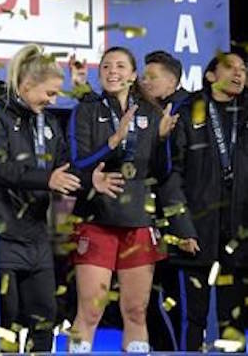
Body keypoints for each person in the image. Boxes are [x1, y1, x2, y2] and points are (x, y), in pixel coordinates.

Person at [67, 46, 194, 353]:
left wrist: (163, 140)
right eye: (107, 66)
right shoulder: (85, 110)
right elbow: (78, 163)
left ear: (133, 74)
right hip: (97, 220)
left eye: (121, 66)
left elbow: (161, 173)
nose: (113, 71)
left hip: (138, 221)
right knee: (90, 312)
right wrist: (113, 141)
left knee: (136, 312)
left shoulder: (152, 113)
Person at [0, 44, 80, 351]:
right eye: (49, 93)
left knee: (45, 317)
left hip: (36, 236)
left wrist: (90, 179)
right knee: (6, 320)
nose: (53, 100)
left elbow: (64, 167)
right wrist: (47, 179)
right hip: (2, 233)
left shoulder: (45, 119)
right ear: (28, 85)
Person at [171, 50, 248, 352]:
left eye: (244, 68)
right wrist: (182, 226)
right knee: (193, 317)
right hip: (197, 228)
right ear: (210, 76)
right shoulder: (190, 112)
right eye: (230, 67)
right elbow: (172, 175)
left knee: (235, 318)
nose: (239, 73)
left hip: (238, 230)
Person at [140, 50, 197, 351]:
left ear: (173, 81)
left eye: (153, 77)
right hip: (148, 222)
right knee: (147, 300)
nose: (144, 81)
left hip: (180, 223)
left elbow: (173, 175)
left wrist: (183, 227)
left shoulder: (183, 112)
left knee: (179, 304)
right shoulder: (149, 110)